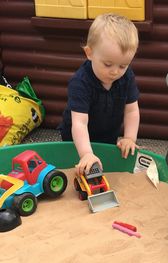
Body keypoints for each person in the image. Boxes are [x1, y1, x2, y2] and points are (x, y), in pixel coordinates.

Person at [59, 13, 140, 175]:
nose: (115, 72)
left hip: (108, 134)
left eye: (123, 66)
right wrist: (86, 153)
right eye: (108, 64)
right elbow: (79, 123)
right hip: (76, 139)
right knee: (80, 168)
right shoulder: (80, 82)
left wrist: (129, 138)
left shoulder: (127, 77)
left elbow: (131, 110)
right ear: (89, 53)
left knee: (104, 167)